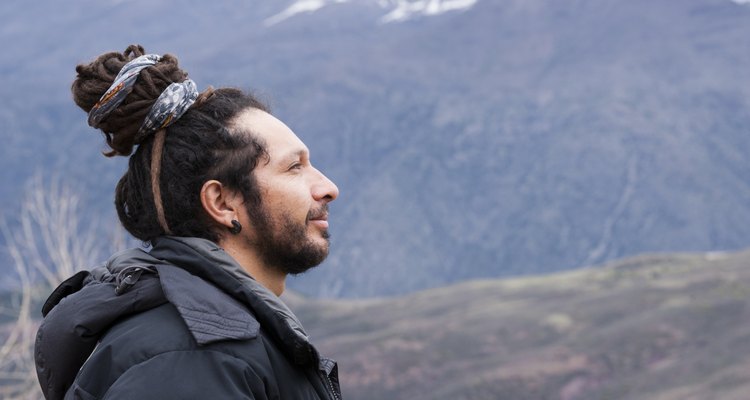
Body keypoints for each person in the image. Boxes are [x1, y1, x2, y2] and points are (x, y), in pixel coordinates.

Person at [34, 44, 342, 400]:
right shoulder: (193, 360)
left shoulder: (214, 346)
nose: (328, 188)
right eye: (294, 167)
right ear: (222, 202)